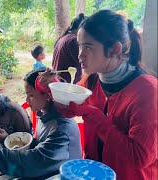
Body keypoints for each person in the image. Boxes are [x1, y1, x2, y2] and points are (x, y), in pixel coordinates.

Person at [42, 10, 157, 180]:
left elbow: (139, 157)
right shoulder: (92, 78)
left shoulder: (148, 92)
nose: (80, 54)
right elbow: (70, 108)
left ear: (114, 49)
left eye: (87, 47)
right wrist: (50, 86)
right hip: (94, 173)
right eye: (79, 45)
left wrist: (92, 114)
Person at [0, 68, 82, 179]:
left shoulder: (62, 128)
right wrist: (6, 139)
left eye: (31, 95)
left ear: (48, 94)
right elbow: (42, 149)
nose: (26, 100)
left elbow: (33, 163)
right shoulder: (46, 115)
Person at [52, 13, 86, 83]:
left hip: (60, 81)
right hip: (67, 85)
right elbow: (83, 62)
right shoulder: (73, 40)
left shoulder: (63, 38)